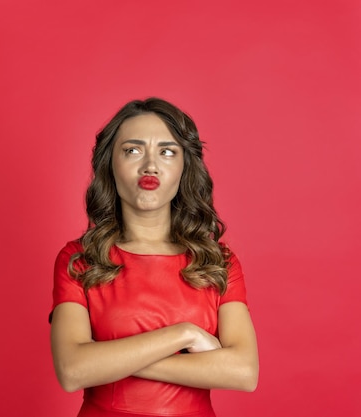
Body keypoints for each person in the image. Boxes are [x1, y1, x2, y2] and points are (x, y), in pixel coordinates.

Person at [49, 97, 259, 417]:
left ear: (184, 167)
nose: (150, 165)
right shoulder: (80, 259)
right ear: (110, 164)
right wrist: (184, 334)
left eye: (167, 151)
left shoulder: (218, 261)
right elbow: (73, 371)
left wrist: (109, 363)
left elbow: (244, 372)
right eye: (132, 150)